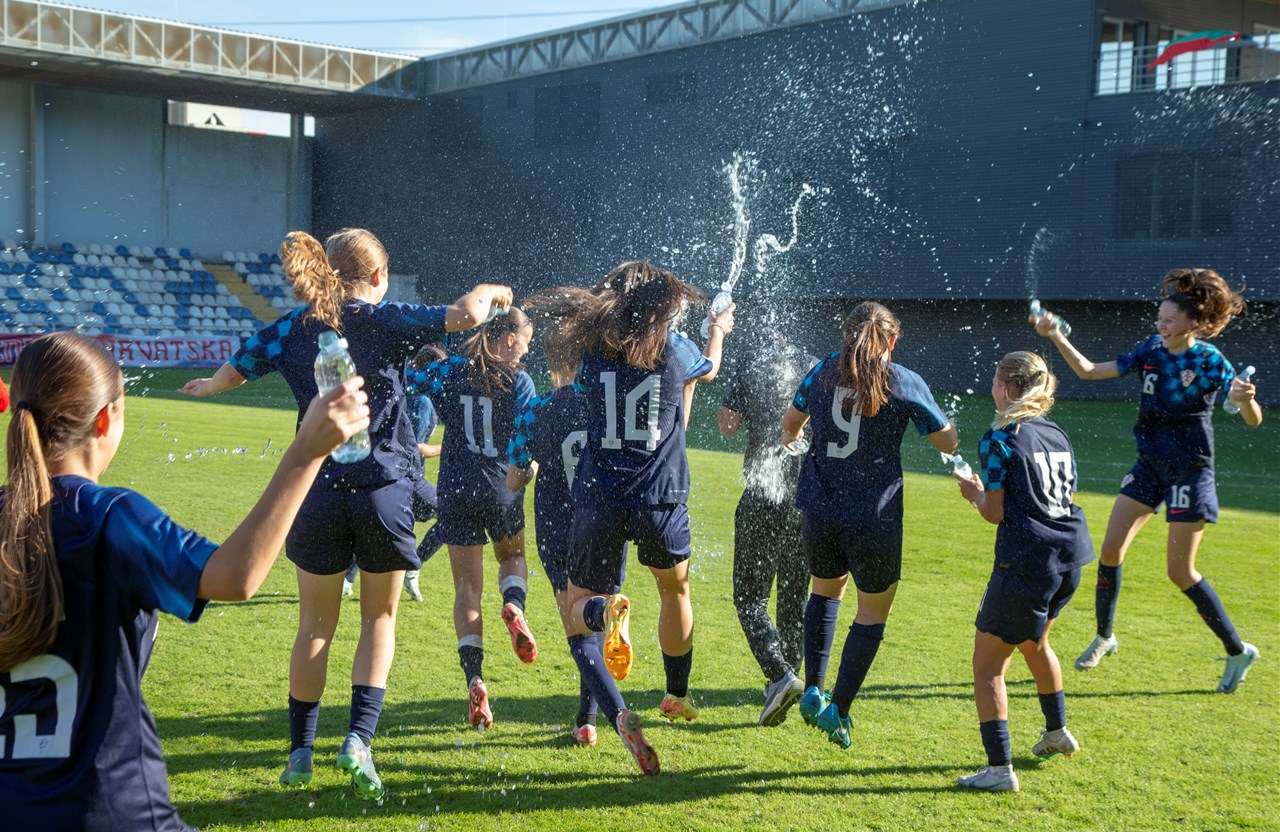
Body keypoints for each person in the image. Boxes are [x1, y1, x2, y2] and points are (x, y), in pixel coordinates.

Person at [180, 229, 511, 799]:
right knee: (378, 620)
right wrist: (492, 289)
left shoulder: (293, 326)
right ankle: (358, 740)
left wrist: (211, 386)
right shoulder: (385, 320)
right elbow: (464, 315)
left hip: (315, 494)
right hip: (383, 493)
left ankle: (299, 752)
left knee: (314, 627)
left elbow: (239, 365)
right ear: (379, 277)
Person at [0, 331, 369, 830]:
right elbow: (235, 576)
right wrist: (306, 451)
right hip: (113, 810)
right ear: (107, 419)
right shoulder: (107, 517)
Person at [1034, 269, 1263, 692]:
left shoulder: (1210, 362)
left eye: (1169, 320)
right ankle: (1105, 636)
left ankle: (1237, 650)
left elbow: (1252, 418)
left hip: (1189, 471)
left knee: (1180, 572)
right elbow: (1087, 371)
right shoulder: (1150, 351)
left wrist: (1244, 401)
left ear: (1192, 324)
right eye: (1159, 317)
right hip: (1149, 466)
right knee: (1109, 550)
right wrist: (1055, 336)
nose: (1161, 324)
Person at [781, 301, 957, 750]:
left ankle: (815, 688)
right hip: (873, 517)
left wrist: (798, 441)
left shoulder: (821, 370)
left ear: (845, 335)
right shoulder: (901, 379)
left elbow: (789, 427)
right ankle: (838, 708)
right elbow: (947, 440)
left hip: (820, 510)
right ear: (892, 341)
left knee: (823, 591)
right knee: (872, 613)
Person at [952, 351, 1094, 793]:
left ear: (1009, 387)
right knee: (1036, 643)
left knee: (987, 666)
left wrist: (974, 493)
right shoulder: (1055, 432)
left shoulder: (999, 438)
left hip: (1029, 561)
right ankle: (1056, 731)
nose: (991, 388)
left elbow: (994, 513)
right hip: (1069, 558)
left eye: (995, 381)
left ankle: (998, 770)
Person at [407, 307, 537, 731]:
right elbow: (526, 438)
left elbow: (410, 380)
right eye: (526, 342)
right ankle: (514, 607)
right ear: (509, 339)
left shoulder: (451, 370)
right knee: (512, 559)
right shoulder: (519, 381)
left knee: (466, 588)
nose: (526, 352)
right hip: (500, 485)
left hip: (456, 486)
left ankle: (475, 680)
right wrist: (530, 471)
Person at [506, 309, 608, 745]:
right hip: (601, 520)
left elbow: (513, 478)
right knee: (595, 612)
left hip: (555, 525)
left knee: (573, 619)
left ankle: (588, 721)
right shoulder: (601, 404)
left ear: (550, 364)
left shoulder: (537, 409)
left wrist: (531, 468)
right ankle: (588, 714)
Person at [717, 332, 816, 726]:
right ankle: (788, 676)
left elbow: (727, 424)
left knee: (749, 598)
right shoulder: (813, 365)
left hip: (763, 494)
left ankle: (780, 675)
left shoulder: (751, 361)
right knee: (794, 600)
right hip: (806, 502)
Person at [343, 342, 447, 601]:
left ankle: (346, 578)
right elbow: (414, 447)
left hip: (393, 471)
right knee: (451, 516)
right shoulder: (422, 401)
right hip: (409, 476)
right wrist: (445, 447)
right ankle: (413, 568)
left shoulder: (408, 392)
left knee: (379, 525)